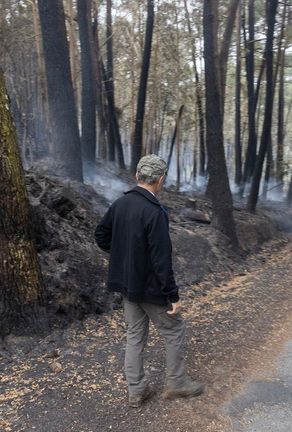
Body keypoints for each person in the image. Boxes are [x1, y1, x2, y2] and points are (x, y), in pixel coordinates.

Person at [95, 154, 204, 408]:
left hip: (127, 285)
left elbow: (101, 235)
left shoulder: (120, 204)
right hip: (151, 289)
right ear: (161, 180)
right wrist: (173, 296)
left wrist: (124, 255)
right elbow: (161, 260)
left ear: (137, 176)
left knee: (134, 335)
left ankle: (136, 391)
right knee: (174, 329)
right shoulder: (155, 212)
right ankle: (176, 383)